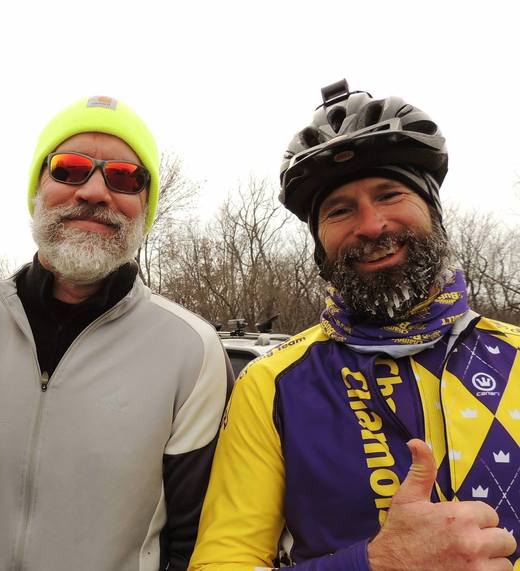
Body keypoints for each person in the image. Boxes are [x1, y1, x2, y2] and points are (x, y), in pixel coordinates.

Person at [0, 95, 233, 571]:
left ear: (145, 207)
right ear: (37, 190)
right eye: (69, 169)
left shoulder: (192, 351)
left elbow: (193, 540)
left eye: (124, 178)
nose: (94, 192)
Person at [190, 80, 520, 570]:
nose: (370, 225)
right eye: (340, 210)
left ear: (434, 212)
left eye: (390, 194)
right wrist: (377, 563)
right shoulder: (273, 383)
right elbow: (222, 562)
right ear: (320, 247)